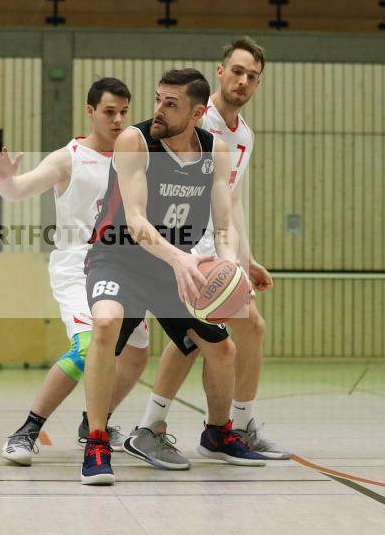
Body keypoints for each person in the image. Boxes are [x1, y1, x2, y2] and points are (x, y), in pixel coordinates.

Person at [80, 68, 270, 485]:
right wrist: (180, 260)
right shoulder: (135, 141)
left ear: (198, 112)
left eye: (171, 103)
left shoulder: (215, 151)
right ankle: (95, 440)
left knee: (223, 351)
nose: (159, 110)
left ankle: (218, 432)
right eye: (157, 100)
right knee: (107, 325)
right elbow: (135, 221)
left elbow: (223, 224)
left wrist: (229, 263)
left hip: (173, 265)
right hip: (119, 259)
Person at [125, 37, 291, 467]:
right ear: (220, 71)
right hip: (182, 244)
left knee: (232, 333)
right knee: (213, 334)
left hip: (217, 245)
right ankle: (188, 427)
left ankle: (229, 424)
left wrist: (245, 258)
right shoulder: (197, 119)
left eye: (252, 76)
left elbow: (232, 199)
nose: (243, 80)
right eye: (236, 71)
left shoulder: (244, 136)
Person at [0, 78, 151, 466]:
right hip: (78, 266)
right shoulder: (69, 158)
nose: (118, 120)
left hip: (124, 267)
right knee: (86, 348)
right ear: (90, 111)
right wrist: (6, 181)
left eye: (124, 112)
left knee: (136, 354)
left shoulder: (135, 154)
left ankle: (93, 420)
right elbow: (20, 191)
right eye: (109, 112)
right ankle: (27, 430)